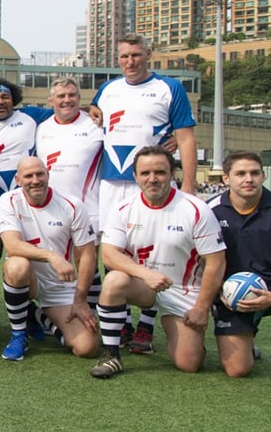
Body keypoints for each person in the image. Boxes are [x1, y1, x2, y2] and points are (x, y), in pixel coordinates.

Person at [92, 33, 198, 352]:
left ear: (148, 54)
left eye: (136, 55)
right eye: (124, 56)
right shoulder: (107, 89)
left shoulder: (169, 88)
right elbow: (96, 120)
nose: (130, 61)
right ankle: (121, 321)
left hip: (155, 185)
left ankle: (146, 328)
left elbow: (187, 138)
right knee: (114, 252)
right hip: (112, 184)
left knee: (157, 252)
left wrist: (190, 188)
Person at [89, 146, 225, 379]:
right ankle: (111, 355)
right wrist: (145, 274)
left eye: (160, 172)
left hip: (183, 290)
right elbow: (109, 255)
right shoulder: (123, 209)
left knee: (188, 363)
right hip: (144, 285)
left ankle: (208, 340)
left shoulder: (195, 209)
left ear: (172, 174)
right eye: (145, 173)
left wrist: (202, 308)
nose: (152, 179)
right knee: (113, 280)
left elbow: (216, 262)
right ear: (135, 176)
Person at [0, 157, 99, 361]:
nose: (35, 180)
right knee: (17, 265)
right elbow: (12, 245)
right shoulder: (8, 200)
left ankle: (39, 317)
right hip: (28, 279)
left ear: (47, 175)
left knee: (87, 347)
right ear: (18, 179)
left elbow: (88, 254)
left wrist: (80, 300)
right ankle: (19, 335)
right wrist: (52, 256)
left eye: (39, 174)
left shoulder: (72, 205)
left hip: (59, 286)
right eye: (28, 176)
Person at [0, 76, 52, 330]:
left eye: (5, 97)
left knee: (26, 256)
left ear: (14, 98)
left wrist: (92, 109)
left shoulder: (31, 115)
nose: (0, 102)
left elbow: (65, 112)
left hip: (25, 200)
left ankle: (29, 309)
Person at [34, 77, 104, 309]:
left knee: (87, 264)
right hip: (50, 209)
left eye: (72, 95)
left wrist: (167, 139)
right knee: (52, 264)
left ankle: (90, 312)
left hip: (88, 209)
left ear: (79, 98)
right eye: (61, 96)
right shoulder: (42, 128)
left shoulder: (96, 123)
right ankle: (49, 313)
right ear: (50, 100)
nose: (67, 100)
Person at [207, 151, 271, 377]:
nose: (249, 179)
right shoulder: (209, 211)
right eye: (241, 173)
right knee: (238, 369)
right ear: (226, 178)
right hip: (231, 294)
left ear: (263, 175)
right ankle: (246, 340)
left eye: (255, 173)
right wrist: (216, 291)